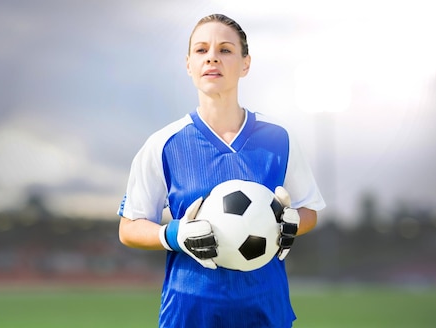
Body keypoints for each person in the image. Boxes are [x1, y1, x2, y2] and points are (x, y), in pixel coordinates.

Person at [117, 13, 325, 327]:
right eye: (201, 50)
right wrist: (173, 234)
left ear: (245, 64)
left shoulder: (278, 139)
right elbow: (129, 227)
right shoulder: (163, 144)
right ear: (189, 64)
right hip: (189, 312)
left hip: (265, 309)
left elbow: (309, 210)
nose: (212, 56)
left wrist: (292, 223)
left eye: (225, 50)